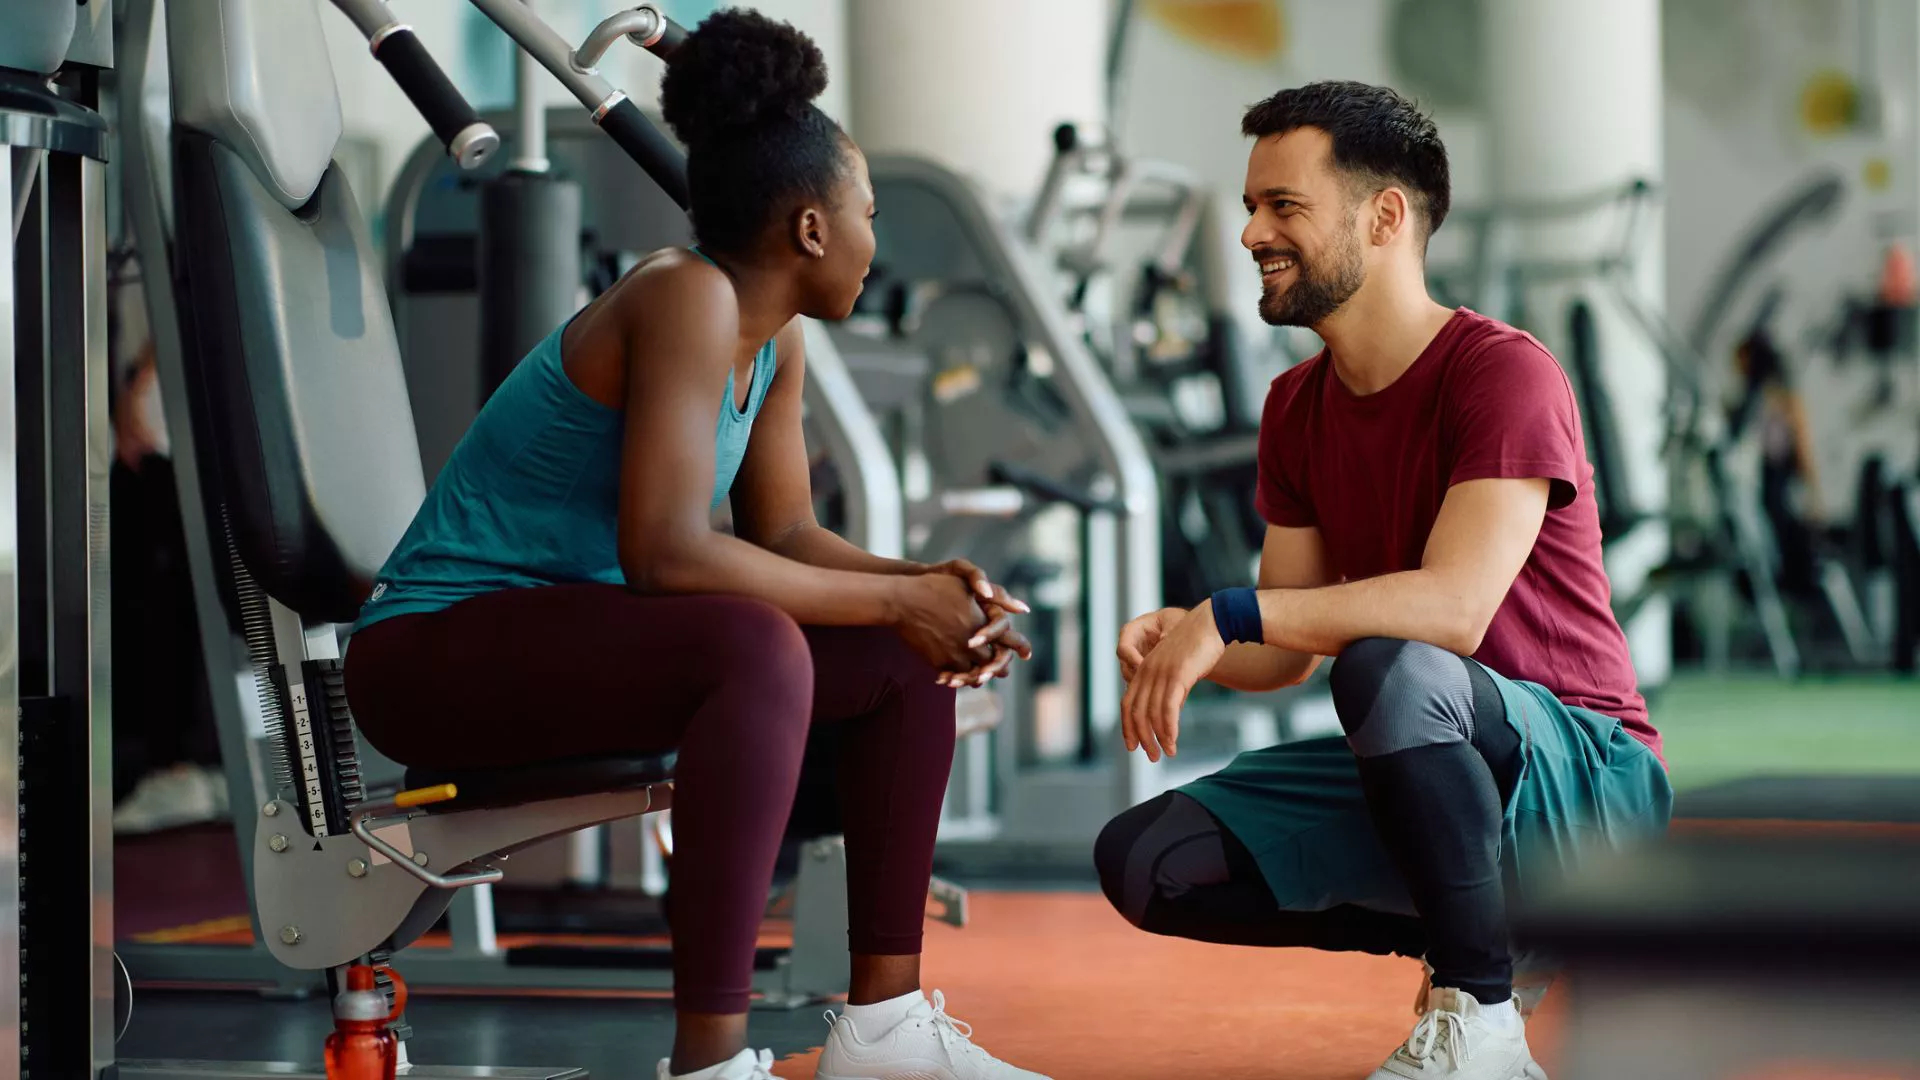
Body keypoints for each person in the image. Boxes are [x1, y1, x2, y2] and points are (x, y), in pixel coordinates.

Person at [343, 13, 1050, 1080]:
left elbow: (787, 533)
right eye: (866, 214)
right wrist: (900, 598)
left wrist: (932, 592)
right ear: (811, 229)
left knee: (899, 659)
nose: (876, 240)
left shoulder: (775, 342)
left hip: (567, 638)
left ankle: (886, 1032)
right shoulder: (684, 294)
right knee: (757, 648)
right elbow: (667, 554)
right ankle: (710, 1064)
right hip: (430, 652)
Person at [1092, 81, 1673, 1080]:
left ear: (1385, 217)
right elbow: (1282, 654)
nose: (1251, 234)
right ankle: (1485, 932)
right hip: (1434, 745)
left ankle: (1480, 1015)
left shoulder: (1503, 373)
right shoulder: (1295, 406)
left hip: (1586, 780)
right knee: (1146, 861)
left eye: (1284, 206)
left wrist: (1229, 614)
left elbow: (1452, 610)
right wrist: (1189, 640)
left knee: (1389, 667)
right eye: (1251, 207)